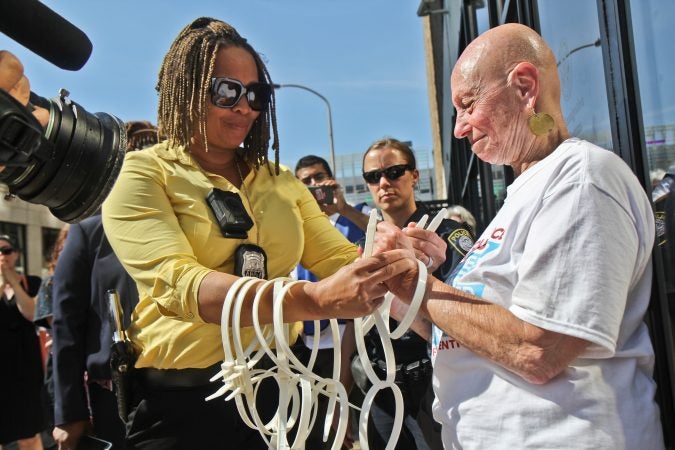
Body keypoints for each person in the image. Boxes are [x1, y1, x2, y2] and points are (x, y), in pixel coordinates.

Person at [100, 17, 411, 450]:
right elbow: (182, 286)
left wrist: (398, 258)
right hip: (186, 404)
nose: (245, 106)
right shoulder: (142, 174)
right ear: (186, 89)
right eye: (226, 90)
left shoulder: (280, 180)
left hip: (286, 396)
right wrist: (312, 300)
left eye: (256, 94)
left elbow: (341, 259)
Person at [373, 23, 665, 449]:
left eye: (468, 104)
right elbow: (470, 340)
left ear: (525, 87)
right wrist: (406, 289)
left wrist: (421, 286)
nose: (459, 127)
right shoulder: (521, 195)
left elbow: (539, 349)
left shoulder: (580, 178)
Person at [342, 137, 474, 450]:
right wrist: (342, 400)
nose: (384, 183)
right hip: (381, 385)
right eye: (373, 177)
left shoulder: (445, 234)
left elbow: (472, 310)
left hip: (436, 378)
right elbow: (350, 324)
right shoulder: (363, 246)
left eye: (394, 171)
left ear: (414, 176)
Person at [50, 120, 159, 450]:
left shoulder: (191, 227)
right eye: (134, 157)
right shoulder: (89, 233)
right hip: (114, 399)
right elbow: (65, 327)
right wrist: (69, 413)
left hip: (184, 394)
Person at [292, 154, 371, 449]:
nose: (315, 185)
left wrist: (344, 208)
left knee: (360, 423)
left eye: (319, 177)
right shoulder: (294, 225)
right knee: (320, 429)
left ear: (332, 178)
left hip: (354, 338)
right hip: (310, 344)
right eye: (306, 182)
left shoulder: (357, 215)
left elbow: (386, 233)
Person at [0, 234, 46, 450]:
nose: (2, 256)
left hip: (25, 369)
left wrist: (12, 281)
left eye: (7, 250)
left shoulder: (33, 282)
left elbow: (31, 313)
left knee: (28, 433)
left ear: (17, 254)